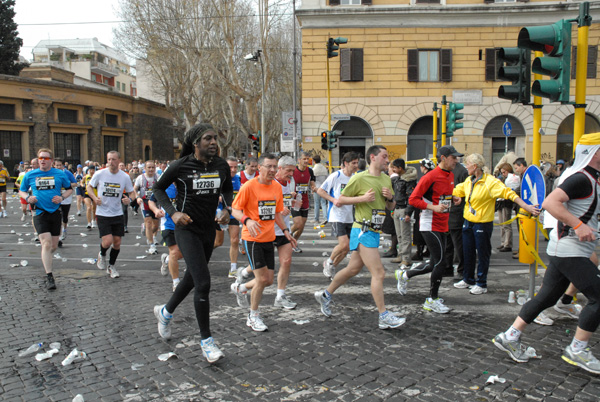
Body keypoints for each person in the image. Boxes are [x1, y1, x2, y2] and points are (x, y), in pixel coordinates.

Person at [493, 133, 600, 374]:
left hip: (568, 250)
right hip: (570, 250)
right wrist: (579, 225)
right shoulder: (582, 178)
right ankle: (577, 349)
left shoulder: (593, 179)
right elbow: (551, 202)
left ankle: (510, 336)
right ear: (595, 152)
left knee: (547, 298)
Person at [152, 123, 233, 364]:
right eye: (208, 138)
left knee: (192, 278)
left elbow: (227, 189)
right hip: (186, 229)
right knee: (203, 282)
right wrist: (173, 213)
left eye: (215, 138)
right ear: (195, 143)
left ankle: (165, 312)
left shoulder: (221, 165)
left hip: (208, 228)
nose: (213, 142)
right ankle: (207, 342)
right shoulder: (181, 165)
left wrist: (227, 208)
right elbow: (157, 188)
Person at [314, 145, 405, 330]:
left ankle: (325, 294)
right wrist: (362, 199)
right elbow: (340, 200)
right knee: (379, 273)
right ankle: (383, 315)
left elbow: (390, 207)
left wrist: (389, 199)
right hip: (362, 230)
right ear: (373, 157)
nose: (388, 160)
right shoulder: (359, 178)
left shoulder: (387, 179)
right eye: (384, 156)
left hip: (373, 231)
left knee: (352, 269)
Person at [452, 153, 539, 294]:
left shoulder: (491, 182)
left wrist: (527, 206)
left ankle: (481, 283)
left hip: (482, 223)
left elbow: (510, 194)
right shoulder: (469, 180)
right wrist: (457, 197)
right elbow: (458, 190)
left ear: (475, 166)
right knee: (467, 252)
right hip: (468, 222)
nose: (465, 166)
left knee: (482, 254)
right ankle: (468, 279)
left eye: (467, 164)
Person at [231, 154, 298, 331]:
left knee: (268, 281)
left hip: (269, 237)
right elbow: (235, 210)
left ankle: (242, 287)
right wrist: (247, 220)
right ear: (259, 168)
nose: (272, 170)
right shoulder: (248, 186)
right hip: (252, 239)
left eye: (275, 167)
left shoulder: (276, 187)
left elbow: (276, 213)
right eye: (268, 166)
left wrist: (285, 231)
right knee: (261, 279)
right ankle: (253, 316)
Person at [394, 145, 462, 314]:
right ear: (444, 158)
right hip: (428, 223)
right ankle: (431, 299)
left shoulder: (451, 175)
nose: (456, 160)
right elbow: (413, 199)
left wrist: (453, 198)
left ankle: (405, 275)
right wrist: (433, 207)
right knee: (440, 263)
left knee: (434, 263)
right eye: (454, 157)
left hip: (442, 223)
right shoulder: (430, 176)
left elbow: (442, 195)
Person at [19, 148, 73, 290]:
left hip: (55, 212)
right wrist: (27, 197)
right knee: (47, 244)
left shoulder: (59, 174)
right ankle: (49, 276)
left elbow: (69, 189)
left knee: (53, 246)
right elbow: (21, 190)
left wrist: (62, 197)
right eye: (40, 158)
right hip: (39, 212)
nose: (42, 160)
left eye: (46, 158)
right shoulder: (30, 175)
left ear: (51, 161)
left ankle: (45, 258)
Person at [87, 151, 135, 279]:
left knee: (117, 243)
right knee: (107, 241)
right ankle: (102, 254)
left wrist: (129, 200)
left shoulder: (124, 176)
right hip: (102, 212)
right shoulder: (100, 173)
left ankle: (111, 266)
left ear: (119, 160)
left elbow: (132, 193)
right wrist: (94, 198)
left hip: (117, 212)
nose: (111, 162)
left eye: (113, 159)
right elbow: (89, 187)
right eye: (109, 159)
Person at [318, 152, 359, 280]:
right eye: (353, 163)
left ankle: (332, 266)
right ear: (346, 164)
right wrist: (333, 200)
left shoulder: (355, 177)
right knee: (344, 245)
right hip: (336, 215)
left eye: (357, 163)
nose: (356, 166)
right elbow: (320, 190)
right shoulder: (336, 176)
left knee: (347, 249)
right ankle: (329, 261)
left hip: (349, 216)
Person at [148, 183, 183, 292]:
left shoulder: (186, 183)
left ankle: (166, 260)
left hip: (184, 224)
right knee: (174, 251)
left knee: (182, 253)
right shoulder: (164, 184)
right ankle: (176, 282)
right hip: (168, 224)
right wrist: (156, 210)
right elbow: (151, 200)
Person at [391, 160, 418, 267]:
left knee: (405, 235)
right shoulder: (398, 179)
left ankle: (406, 258)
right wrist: (393, 209)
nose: (393, 170)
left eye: (394, 168)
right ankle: (401, 255)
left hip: (403, 210)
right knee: (399, 235)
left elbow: (411, 197)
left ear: (400, 168)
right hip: (397, 208)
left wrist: (408, 212)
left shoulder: (409, 181)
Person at [444, 160, 468, 277]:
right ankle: (449, 267)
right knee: (449, 242)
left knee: (458, 243)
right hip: (447, 212)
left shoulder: (460, 171)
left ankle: (461, 270)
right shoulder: (448, 171)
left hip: (456, 213)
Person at [290, 152, 316, 253]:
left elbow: (312, 183)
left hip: (304, 200)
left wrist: (314, 188)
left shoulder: (310, 171)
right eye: (304, 159)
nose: (306, 161)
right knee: (298, 224)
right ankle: (285, 236)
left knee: (302, 227)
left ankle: (294, 243)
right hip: (295, 201)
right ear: (299, 160)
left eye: (307, 159)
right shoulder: (293, 171)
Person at [134, 160, 160, 254]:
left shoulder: (158, 177)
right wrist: (137, 197)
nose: (151, 169)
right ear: (145, 168)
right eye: (149, 167)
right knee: (148, 222)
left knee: (156, 225)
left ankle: (153, 236)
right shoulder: (140, 178)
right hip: (145, 202)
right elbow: (134, 189)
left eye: (153, 167)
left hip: (156, 203)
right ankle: (151, 245)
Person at [53, 158, 77, 243]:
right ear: (54, 165)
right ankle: (58, 235)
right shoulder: (51, 173)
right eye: (56, 165)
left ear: (63, 165)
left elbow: (75, 183)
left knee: (64, 216)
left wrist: (66, 184)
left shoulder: (67, 173)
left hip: (66, 198)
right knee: (57, 216)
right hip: (55, 198)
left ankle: (64, 229)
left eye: (60, 165)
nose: (58, 167)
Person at [225, 156, 242, 278]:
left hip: (233, 212)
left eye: (235, 167)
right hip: (218, 213)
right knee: (216, 242)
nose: (233, 169)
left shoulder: (238, 179)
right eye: (230, 167)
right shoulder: (219, 178)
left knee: (235, 240)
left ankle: (233, 268)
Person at [497, 163, 519, 252]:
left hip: (506, 202)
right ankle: (503, 242)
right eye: (502, 172)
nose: (503, 174)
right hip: (501, 202)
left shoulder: (512, 179)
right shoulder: (502, 179)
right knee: (502, 224)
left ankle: (507, 243)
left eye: (504, 172)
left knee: (506, 224)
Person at [311, 155, 329, 224]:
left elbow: (312, 180)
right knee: (323, 203)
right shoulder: (324, 168)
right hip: (323, 188)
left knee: (317, 203)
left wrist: (312, 189)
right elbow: (326, 179)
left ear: (314, 161)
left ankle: (316, 218)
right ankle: (325, 218)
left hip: (316, 188)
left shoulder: (313, 170)